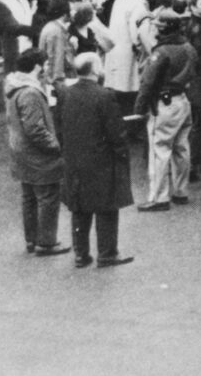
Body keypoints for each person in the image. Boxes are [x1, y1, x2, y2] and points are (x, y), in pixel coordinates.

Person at [58, 53, 134, 268]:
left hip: (74, 159)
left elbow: (59, 127)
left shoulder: (65, 94)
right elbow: (116, 132)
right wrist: (122, 155)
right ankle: (107, 253)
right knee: (107, 207)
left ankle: (81, 254)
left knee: (79, 208)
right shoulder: (104, 96)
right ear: (94, 69)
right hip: (102, 160)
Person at [135, 7, 197, 213]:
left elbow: (148, 82)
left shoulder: (160, 52)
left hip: (164, 104)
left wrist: (140, 107)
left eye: (157, 26)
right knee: (181, 147)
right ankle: (181, 191)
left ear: (164, 29)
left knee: (159, 150)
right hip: (183, 100)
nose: (154, 29)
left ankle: (158, 197)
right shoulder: (188, 47)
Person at [6, 48, 66, 256]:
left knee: (29, 197)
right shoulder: (30, 93)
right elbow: (35, 129)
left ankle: (32, 239)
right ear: (38, 66)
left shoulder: (15, 87)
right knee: (48, 197)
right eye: (46, 64)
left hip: (21, 152)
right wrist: (55, 145)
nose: (48, 67)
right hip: (38, 156)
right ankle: (47, 242)